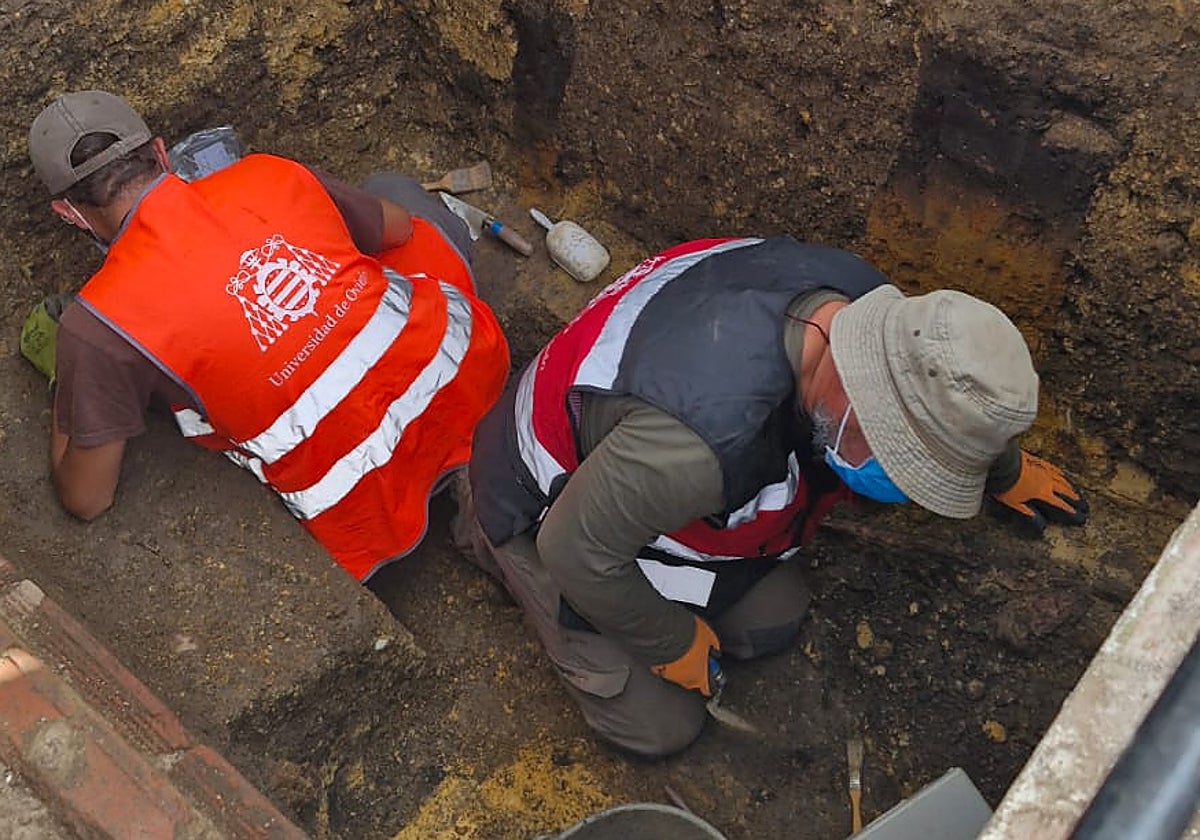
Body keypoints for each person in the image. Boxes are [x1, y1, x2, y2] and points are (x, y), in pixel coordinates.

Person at [459, 236, 1088, 756]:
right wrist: (669, 640)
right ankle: (482, 541)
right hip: (538, 500)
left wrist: (1000, 468)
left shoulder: (878, 315)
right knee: (662, 726)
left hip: (636, 455)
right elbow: (574, 548)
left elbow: (945, 393)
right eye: (897, 459)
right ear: (854, 396)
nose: (897, 485)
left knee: (771, 621)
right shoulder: (701, 444)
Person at [27, 89, 509, 583]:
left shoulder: (97, 325)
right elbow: (397, 228)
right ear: (160, 152)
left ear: (69, 212)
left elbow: (86, 498)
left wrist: (72, 379)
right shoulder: (266, 172)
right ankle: (478, 467)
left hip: (362, 508)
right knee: (392, 190)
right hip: (467, 377)